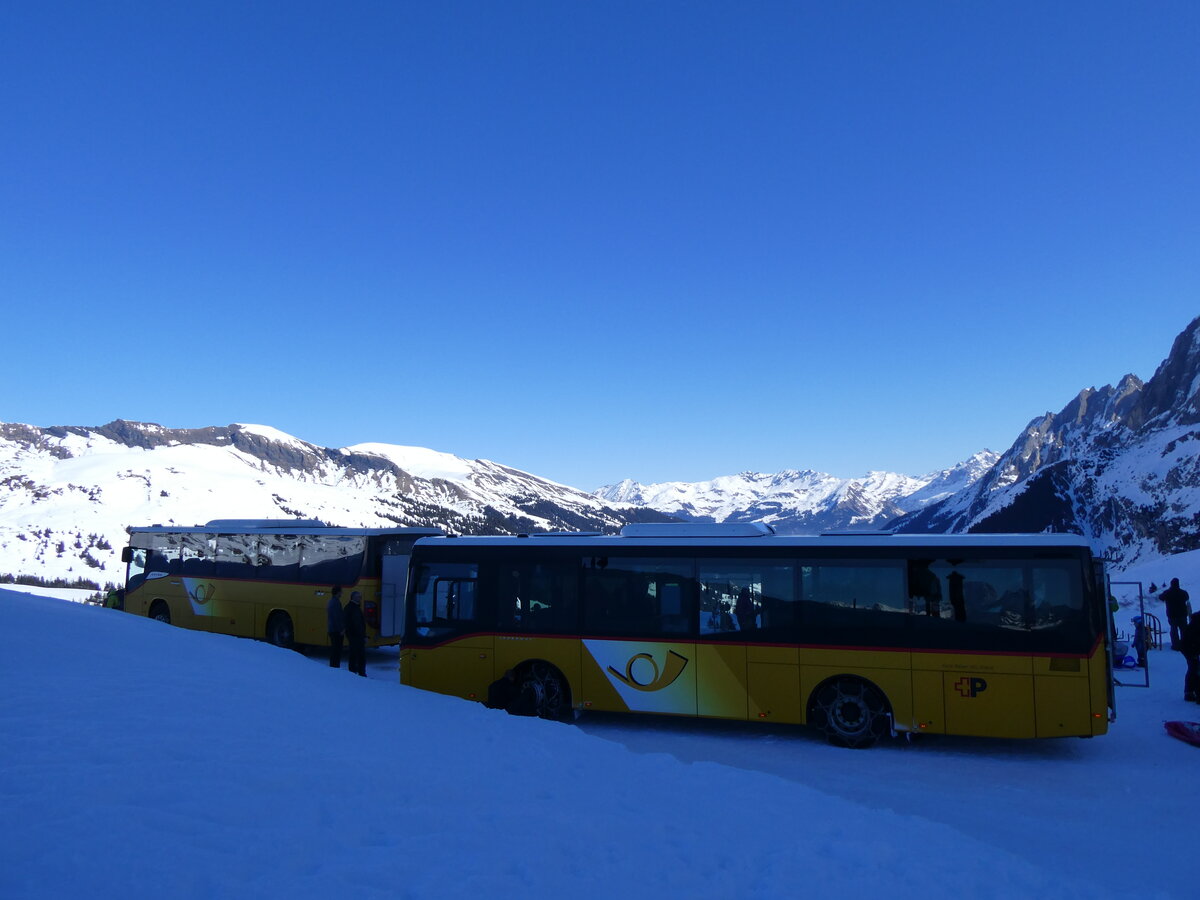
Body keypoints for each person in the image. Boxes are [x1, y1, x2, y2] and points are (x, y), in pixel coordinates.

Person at [1161, 578, 1191, 650]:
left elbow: (1161, 597)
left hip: (1172, 615)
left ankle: (1176, 646)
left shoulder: (1167, 592)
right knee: (1184, 630)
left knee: (1174, 631)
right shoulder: (1183, 592)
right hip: (1182, 615)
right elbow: (1187, 598)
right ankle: (1185, 645)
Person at [344, 590, 367, 677]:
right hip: (356, 636)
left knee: (355, 655)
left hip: (354, 636)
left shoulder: (350, 607)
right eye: (358, 597)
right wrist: (362, 635)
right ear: (353, 597)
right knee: (359, 655)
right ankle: (360, 672)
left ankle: (355, 671)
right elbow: (357, 624)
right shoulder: (354, 608)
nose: (360, 598)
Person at [1180, 610, 1200, 703]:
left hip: (1190, 648)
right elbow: (1194, 640)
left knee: (1193, 669)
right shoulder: (1196, 625)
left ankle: (1190, 692)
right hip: (1191, 649)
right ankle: (1194, 693)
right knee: (1195, 670)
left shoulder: (1194, 622)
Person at [326, 585, 345, 668]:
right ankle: (335, 667)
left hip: (332, 629)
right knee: (337, 650)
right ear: (338, 592)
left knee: (334, 649)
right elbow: (337, 617)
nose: (342, 593)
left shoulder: (330, 602)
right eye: (341, 591)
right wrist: (341, 629)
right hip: (336, 630)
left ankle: (333, 666)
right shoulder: (336, 603)